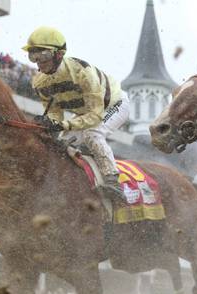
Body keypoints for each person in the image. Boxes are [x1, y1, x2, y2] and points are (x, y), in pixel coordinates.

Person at [22, 26, 128, 201]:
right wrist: (50, 122)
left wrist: (64, 125)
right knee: (61, 144)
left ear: (59, 54)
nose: (39, 62)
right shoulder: (39, 82)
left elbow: (95, 116)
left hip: (113, 105)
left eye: (43, 55)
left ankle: (113, 181)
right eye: (33, 56)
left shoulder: (82, 73)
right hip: (86, 112)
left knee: (92, 134)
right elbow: (56, 114)